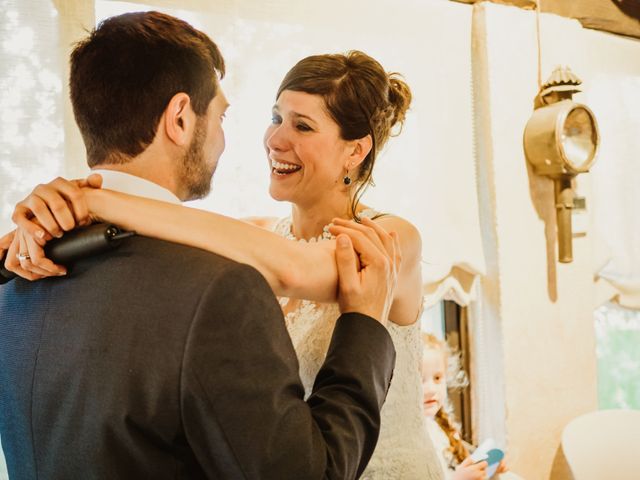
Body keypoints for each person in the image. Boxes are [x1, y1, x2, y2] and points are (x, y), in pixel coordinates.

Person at [7, 42, 443, 480]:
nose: (275, 140)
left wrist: (94, 198)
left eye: (303, 127)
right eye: (276, 118)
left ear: (355, 151)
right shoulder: (252, 235)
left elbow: (298, 269)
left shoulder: (388, 239)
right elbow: (169, 234)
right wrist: (43, 221)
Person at [422, 333, 521, 480]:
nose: (431, 389)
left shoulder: (439, 427)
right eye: (420, 379)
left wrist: (487, 469)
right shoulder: (413, 438)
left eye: (437, 378)